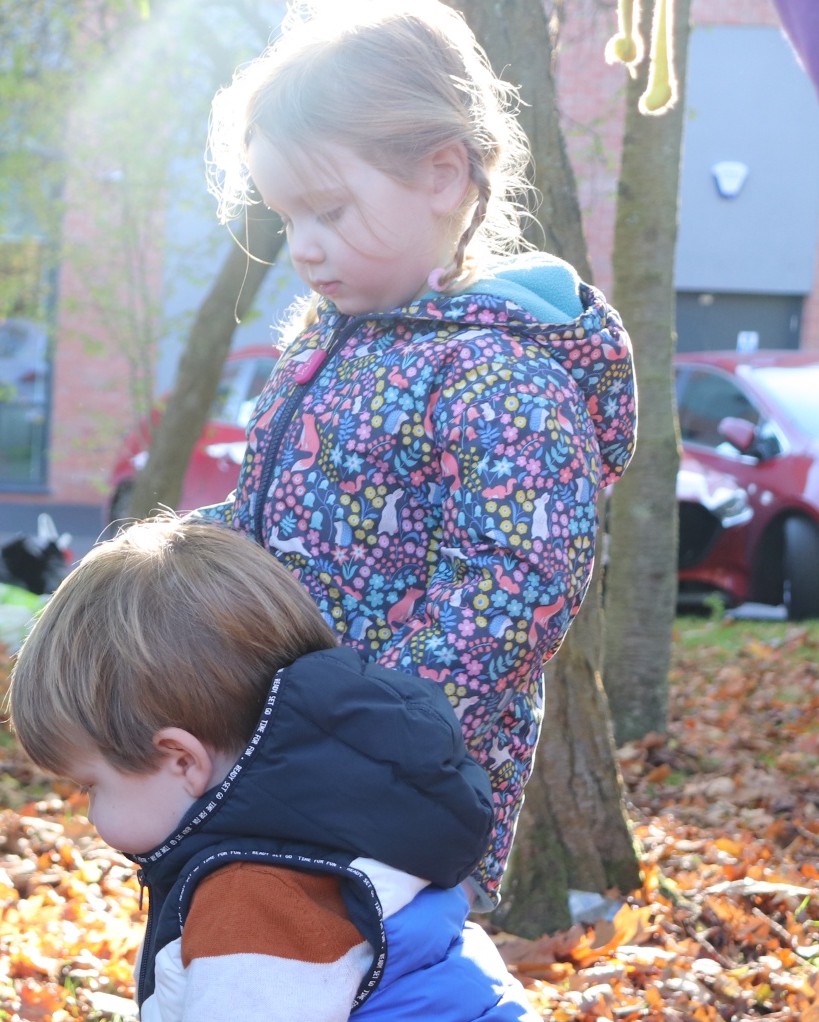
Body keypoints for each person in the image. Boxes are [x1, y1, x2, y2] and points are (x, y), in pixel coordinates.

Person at [6, 519, 622, 1022]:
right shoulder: (352, 823)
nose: (89, 813)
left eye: (89, 784)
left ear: (180, 758)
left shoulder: (256, 896)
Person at [196, 0, 637, 900]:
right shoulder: (332, 343)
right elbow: (276, 516)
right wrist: (181, 560)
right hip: (290, 750)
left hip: (406, 788)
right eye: (288, 219)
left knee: (367, 990)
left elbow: (519, 580)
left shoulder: (498, 370)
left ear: (442, 174)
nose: (306, 249)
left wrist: (380, 722)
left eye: (328, 210)